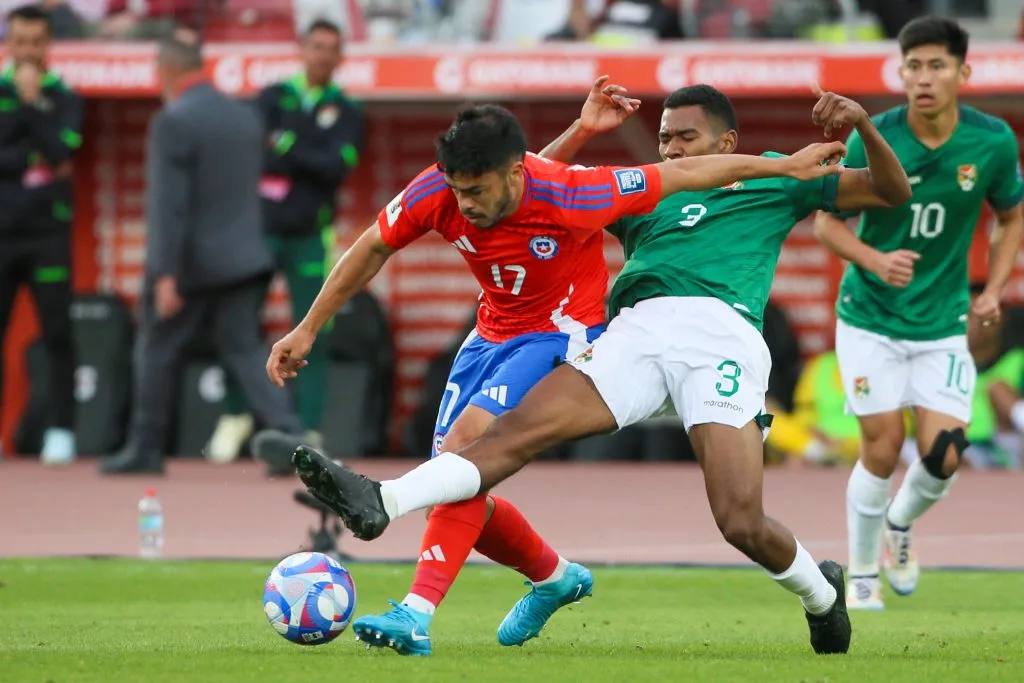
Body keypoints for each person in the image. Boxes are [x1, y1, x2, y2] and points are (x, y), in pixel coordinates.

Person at [288, 82, 914, 656]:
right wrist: (581, 132)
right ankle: (383, 498)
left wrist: (861, 124)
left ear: (726, 142)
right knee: (508, 435)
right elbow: (541, 187)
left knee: (739, 520)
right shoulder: (646, 191)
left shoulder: (779, 178)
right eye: (662, 136)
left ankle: (822, 593)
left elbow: (893, 191)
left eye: (682, 137)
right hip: (635, 331)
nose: (668, 148)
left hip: (721, 337)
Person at [812, 16, 1024, 610]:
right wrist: (874, 260)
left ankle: (899, 526)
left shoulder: (991, 142)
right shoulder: (874, 137)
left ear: (963, 72)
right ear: (900, 72)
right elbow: (828, 220)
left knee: (945, 455)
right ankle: (859, 574)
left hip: (942, 323)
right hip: (869, 316)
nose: (923, 78)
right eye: (913, 66)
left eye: (936, 66)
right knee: (881, 447)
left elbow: (1012, 215)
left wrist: (995, 288)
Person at [99, 34, 304, 474]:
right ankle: (292, 441)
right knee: (247, 352)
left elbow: (168, 205)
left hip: (191, 264)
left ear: (166, 71)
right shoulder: (244, 117)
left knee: (155, 351)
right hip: (245, 257)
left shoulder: (173, 120)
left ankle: (146, 448)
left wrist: (166, 273)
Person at [206, 18, 366, 469]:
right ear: (301, 48)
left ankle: (308, 427)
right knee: (240, 323)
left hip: (311, 236)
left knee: (314, 328)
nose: (322, 55)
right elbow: (262, 150)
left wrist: (289, 144)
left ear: (340, 56)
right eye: (315, 46)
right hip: (260, 231)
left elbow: (336, 167)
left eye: (331, 49)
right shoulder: (273, 96)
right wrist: (308, 151)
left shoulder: (348, 109)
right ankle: (235, 416)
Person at [0, 4, 83, 465]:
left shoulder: (65, 97)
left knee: (57, 332)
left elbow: (61, 153)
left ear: (48, 45)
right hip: (3, 233)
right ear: (9, 44)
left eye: (37, 42)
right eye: (21, 41)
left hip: (48, 233)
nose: (29, 51)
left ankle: (61, 430)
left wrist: (31, 106)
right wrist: (29, 141)